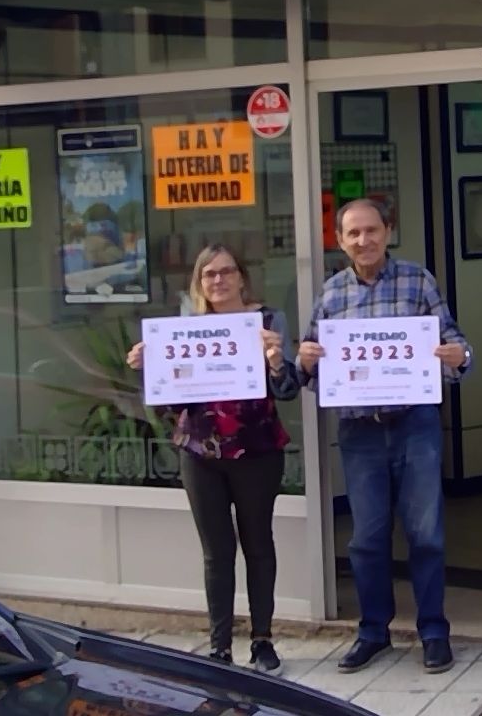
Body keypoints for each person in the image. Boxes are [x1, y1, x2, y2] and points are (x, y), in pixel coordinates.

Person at [296, 198, 472, 675]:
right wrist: (305, 360)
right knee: (367, 539)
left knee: (426, 534)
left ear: (388, 231)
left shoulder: (419, 281)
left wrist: (459, 357)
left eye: (371, 230)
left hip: (415, 423)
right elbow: (309, 369)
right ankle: (373, 632)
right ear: (340, 240)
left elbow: (453, 343)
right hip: (360, 432)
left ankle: (433, 631)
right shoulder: (331, 295)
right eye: (353, 233)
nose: (363, 240)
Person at [127, 244, 296, 671]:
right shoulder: (185, 330)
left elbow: (289, 388)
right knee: (216, 551)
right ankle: (220, 646)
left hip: (257, 450)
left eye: (226, 272)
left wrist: (276, 362)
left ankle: (262, 641)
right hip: (201, 452)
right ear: (199, 283)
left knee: (258, 544)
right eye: (208, 275)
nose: (218, 281)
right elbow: (167, 404)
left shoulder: (268, 322)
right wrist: (148, 369)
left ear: (242, 277)